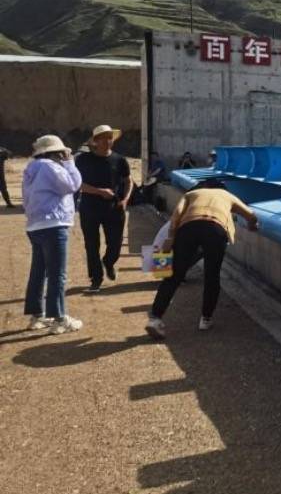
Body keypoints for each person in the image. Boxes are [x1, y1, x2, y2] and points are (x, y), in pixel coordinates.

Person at [146, 180, 259, 339]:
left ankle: (155, 318)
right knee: (211, 275)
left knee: (173, 277)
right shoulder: (227, 195)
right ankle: (205, 319)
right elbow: (251, 215)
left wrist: (172, 237)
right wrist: (253, 226)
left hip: (188, 228)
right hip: (215, 228)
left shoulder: (191, 194)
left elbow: (176, 215)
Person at [21, 135, 83, 334]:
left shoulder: (31, 168)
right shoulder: (51, 167)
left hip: (35, 226)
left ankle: (37, 316)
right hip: (53, 224)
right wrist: (70, 162)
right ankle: (59, 318)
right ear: (56, 152)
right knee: (57, 274)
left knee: (39, 271)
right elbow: (73, 185)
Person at [75, 125, 132, 294]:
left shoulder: (120, 160)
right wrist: (99, 191)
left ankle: (108, 262)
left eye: (110, 137)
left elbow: (129, 181)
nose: (108, 141)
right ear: (95, 141)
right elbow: (76, 184)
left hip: (114, 208)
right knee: (91, 245)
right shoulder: (83, 160)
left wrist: (126, 199)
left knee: (115, 243)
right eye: (104, 137)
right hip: (90, 207)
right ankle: (96, 279)